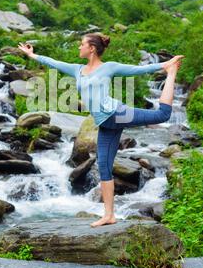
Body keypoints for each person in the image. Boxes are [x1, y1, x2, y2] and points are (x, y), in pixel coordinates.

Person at [18, 34, 185, 228]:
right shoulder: (77, 70)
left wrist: (166, 65)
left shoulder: (109, 67)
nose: (79, 47)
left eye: (82, 44)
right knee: (104, 165)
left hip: (116, 114)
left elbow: (138, 70)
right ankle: (109, 215)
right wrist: (32, 55)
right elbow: (54, 63)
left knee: (162, 116)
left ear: (92, 48)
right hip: (105, 124)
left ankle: (172, 73)